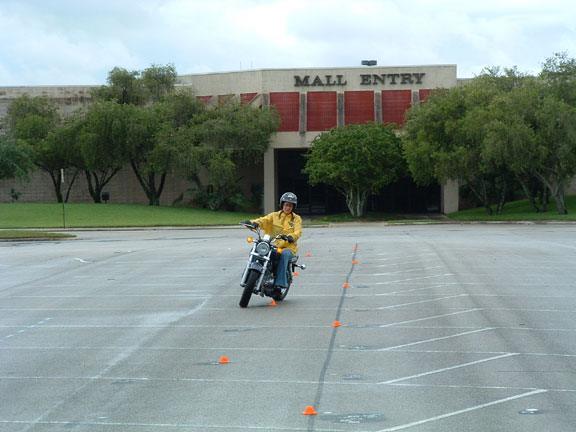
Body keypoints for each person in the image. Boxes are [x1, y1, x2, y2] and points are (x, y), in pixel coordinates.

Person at [243, 192, 302, 295]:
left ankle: (280, 284)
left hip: (287, 248)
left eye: (290, 206)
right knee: (255, 249)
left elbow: (298, 231)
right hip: (271, 245)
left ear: (293, 207)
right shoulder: (273, 216)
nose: (288, 207)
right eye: (286, 205)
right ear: (282, 205)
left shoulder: (296, 219)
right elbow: (263, 220)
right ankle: (248, 275)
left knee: (284, 255)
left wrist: (291, 237)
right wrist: (253, 223)